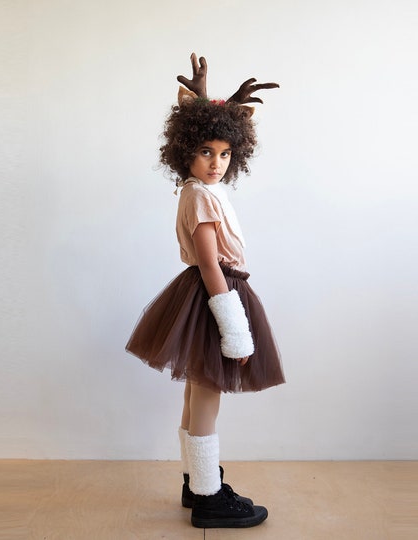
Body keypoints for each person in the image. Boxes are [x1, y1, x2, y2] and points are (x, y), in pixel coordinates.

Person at [126, 53, 285, 529]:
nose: (217, 163)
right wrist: (234, 329)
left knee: (197, 392)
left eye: (225, 154)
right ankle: (208, 497)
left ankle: (197, 482)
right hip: (215, 297)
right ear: (185, 152)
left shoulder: (201, 191)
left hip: (203, 294)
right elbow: (211, 262)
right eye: (206, 152)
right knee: (208, 392)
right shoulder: (198, 195)